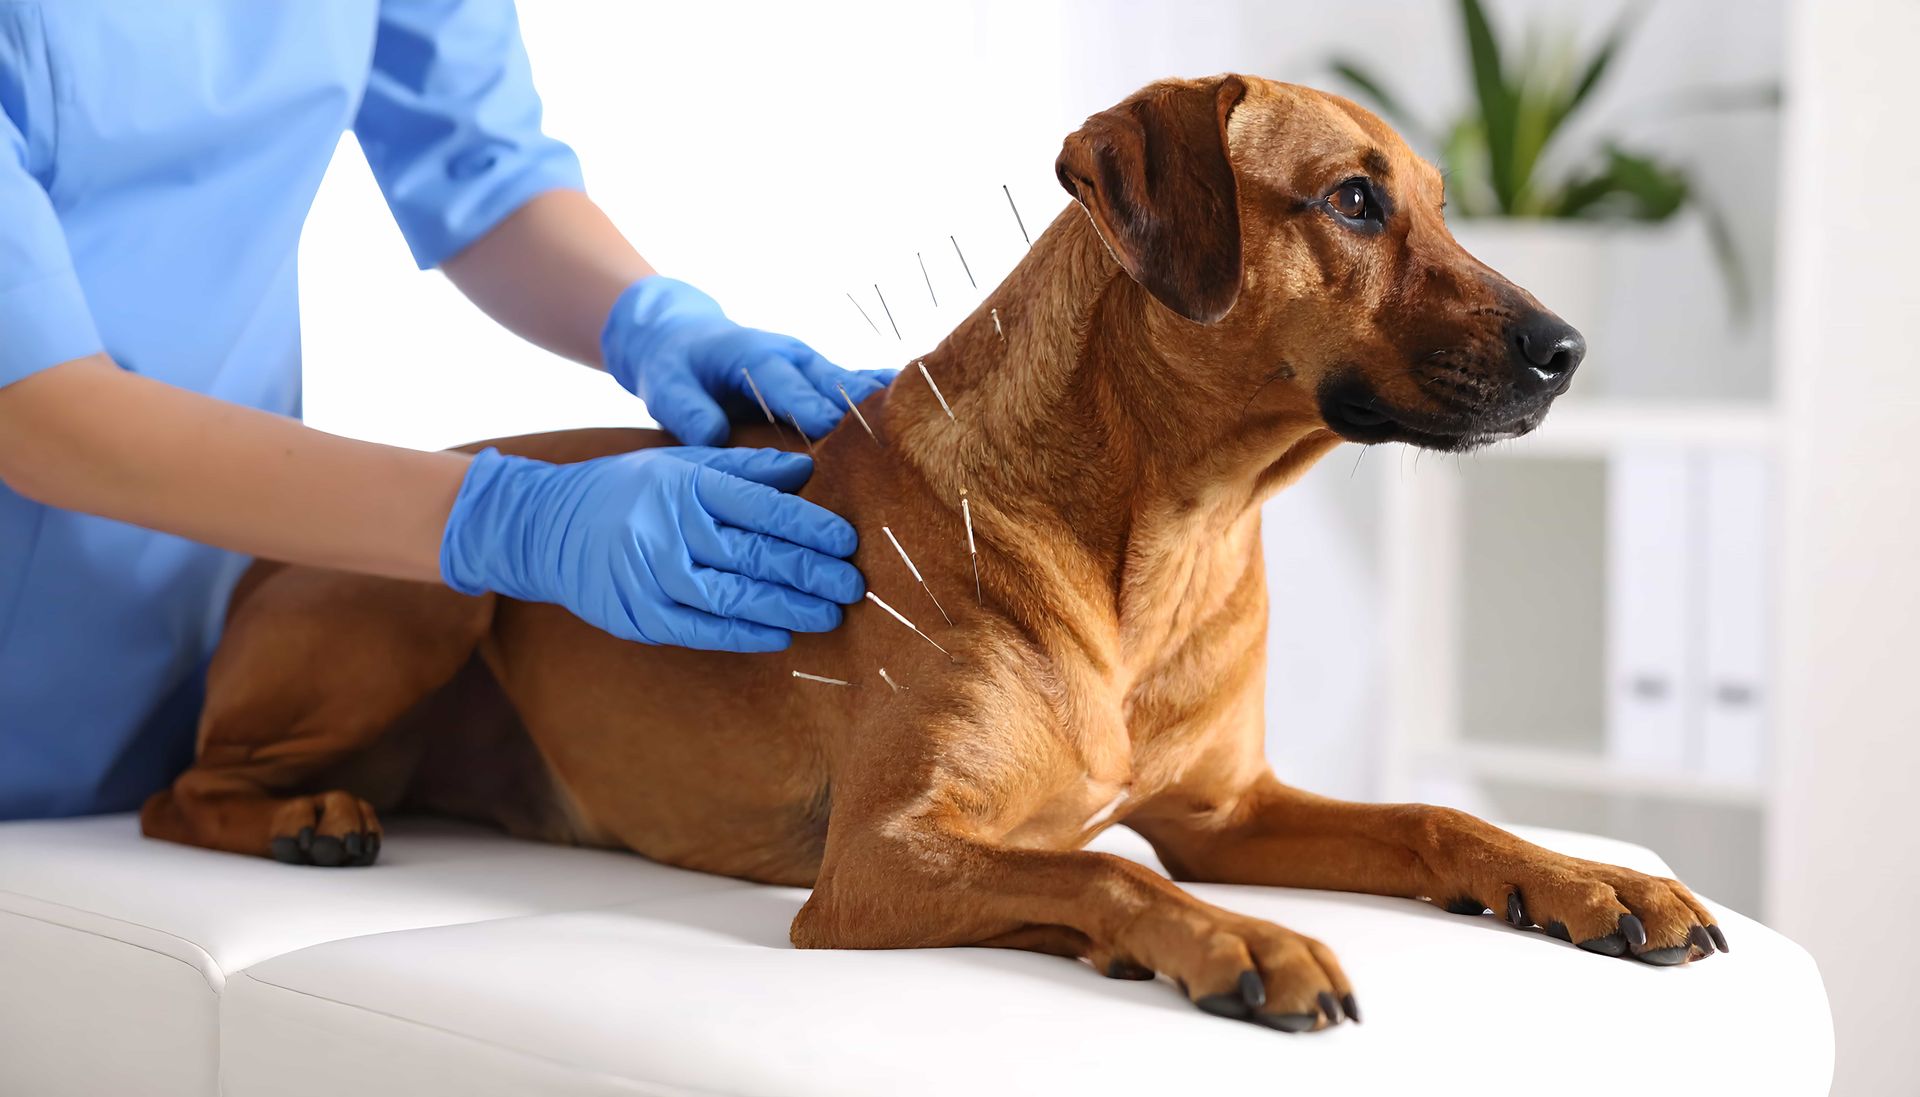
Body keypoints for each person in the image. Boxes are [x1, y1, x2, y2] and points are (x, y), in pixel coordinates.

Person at [0, 2, 890, 820]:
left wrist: (655, 322)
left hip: (215, 611)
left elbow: (479, 167)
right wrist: (506, 518)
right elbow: (34, 411)